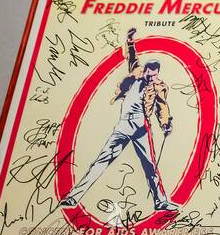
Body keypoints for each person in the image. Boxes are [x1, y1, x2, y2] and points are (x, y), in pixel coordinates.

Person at [60, 28, 177, 214]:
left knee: (150, 167)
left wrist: (165, 123)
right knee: (101, 160)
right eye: (149, 74)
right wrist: (130, 41)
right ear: (144, 70)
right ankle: (73, 197)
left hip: (141, 129)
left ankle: (160, 202)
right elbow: (132, 57)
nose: (152, 78)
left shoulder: (159, 87)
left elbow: (162, 107)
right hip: (123, 125)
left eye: (155, 75)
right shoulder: (136, 73)